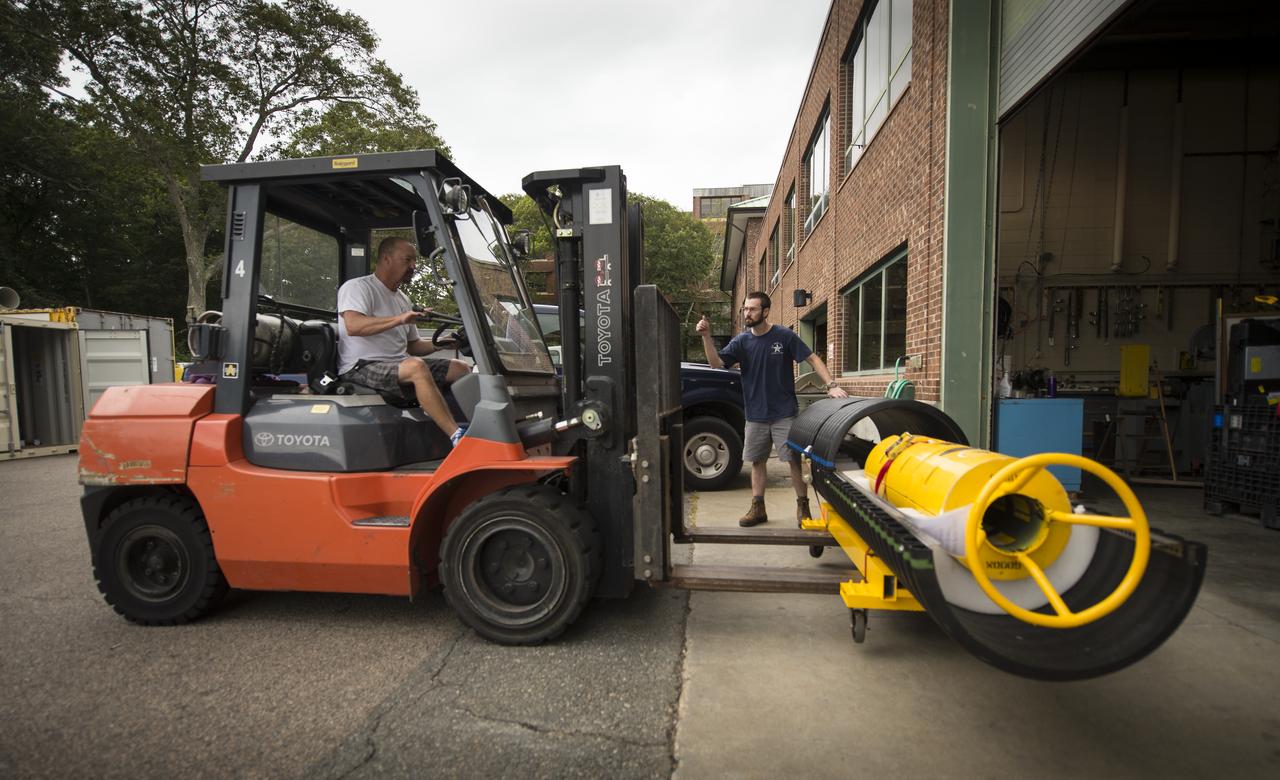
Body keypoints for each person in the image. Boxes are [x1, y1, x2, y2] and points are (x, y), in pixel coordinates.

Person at [696, 291, 848, 527]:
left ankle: (803, 506)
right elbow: (716, 363)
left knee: (793, 460)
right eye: (745, 309)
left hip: (784, 413)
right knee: (757, 461)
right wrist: (706, 336)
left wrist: (831, 385)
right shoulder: (741, 341)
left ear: (765, 312)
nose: (747, 313)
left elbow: (813, 359)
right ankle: (758, 508)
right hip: (755, 415)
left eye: (752, 309)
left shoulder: (784, 336)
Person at [337, 237, 471, 446]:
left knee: (460, 369)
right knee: (415, 367)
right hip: (361, 365)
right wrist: (400, 318)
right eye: (407, 259)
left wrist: (443, 343)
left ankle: (466, 426)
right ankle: (456, 436)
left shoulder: (402, 299)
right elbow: (354, 326)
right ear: (386, 259)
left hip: (397, 363)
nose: (414, 266)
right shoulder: (358, 288)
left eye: (414, 261)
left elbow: (413, 346)